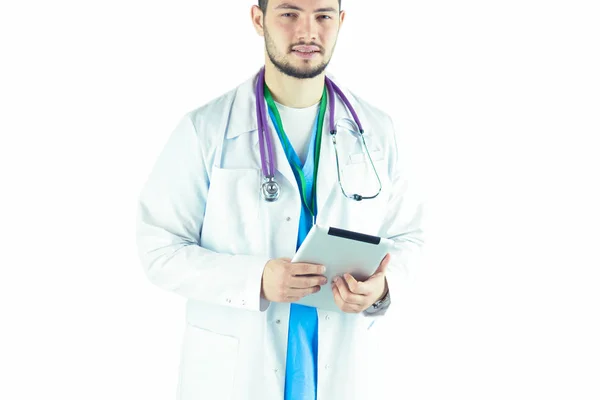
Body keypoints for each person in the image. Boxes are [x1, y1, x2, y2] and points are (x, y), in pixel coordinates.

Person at [135, 0, 424, 399]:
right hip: (238, 373)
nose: (308, 31)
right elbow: (158, 249)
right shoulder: (206, 130)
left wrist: (382, 287)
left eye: (323, 16)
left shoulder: (378, 131)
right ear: (259, 20)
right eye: (289, 13)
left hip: (343, 367)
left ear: (340, 23)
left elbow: (411, 238)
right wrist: (255, 279)